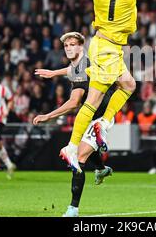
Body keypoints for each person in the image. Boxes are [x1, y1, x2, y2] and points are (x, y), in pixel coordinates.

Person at [62, 0, 146, 173]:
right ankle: (72, 146)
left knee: (129, 85)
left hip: (105, 46)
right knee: (93, 100)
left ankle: (103, 122)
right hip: (108, 48)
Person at [33, 32, 113, 217]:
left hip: (101, 119)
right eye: (66, 45)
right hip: (89, 118)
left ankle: (73, 209)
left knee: (79, 158)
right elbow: (70, 69)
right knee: (85, 150)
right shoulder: (79, 66)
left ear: (80, 47)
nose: (68, 47)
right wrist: (54, 73)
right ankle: (101, 169)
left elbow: (74, 102)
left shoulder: (85, 67)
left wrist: (48, 116)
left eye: (72, 44)